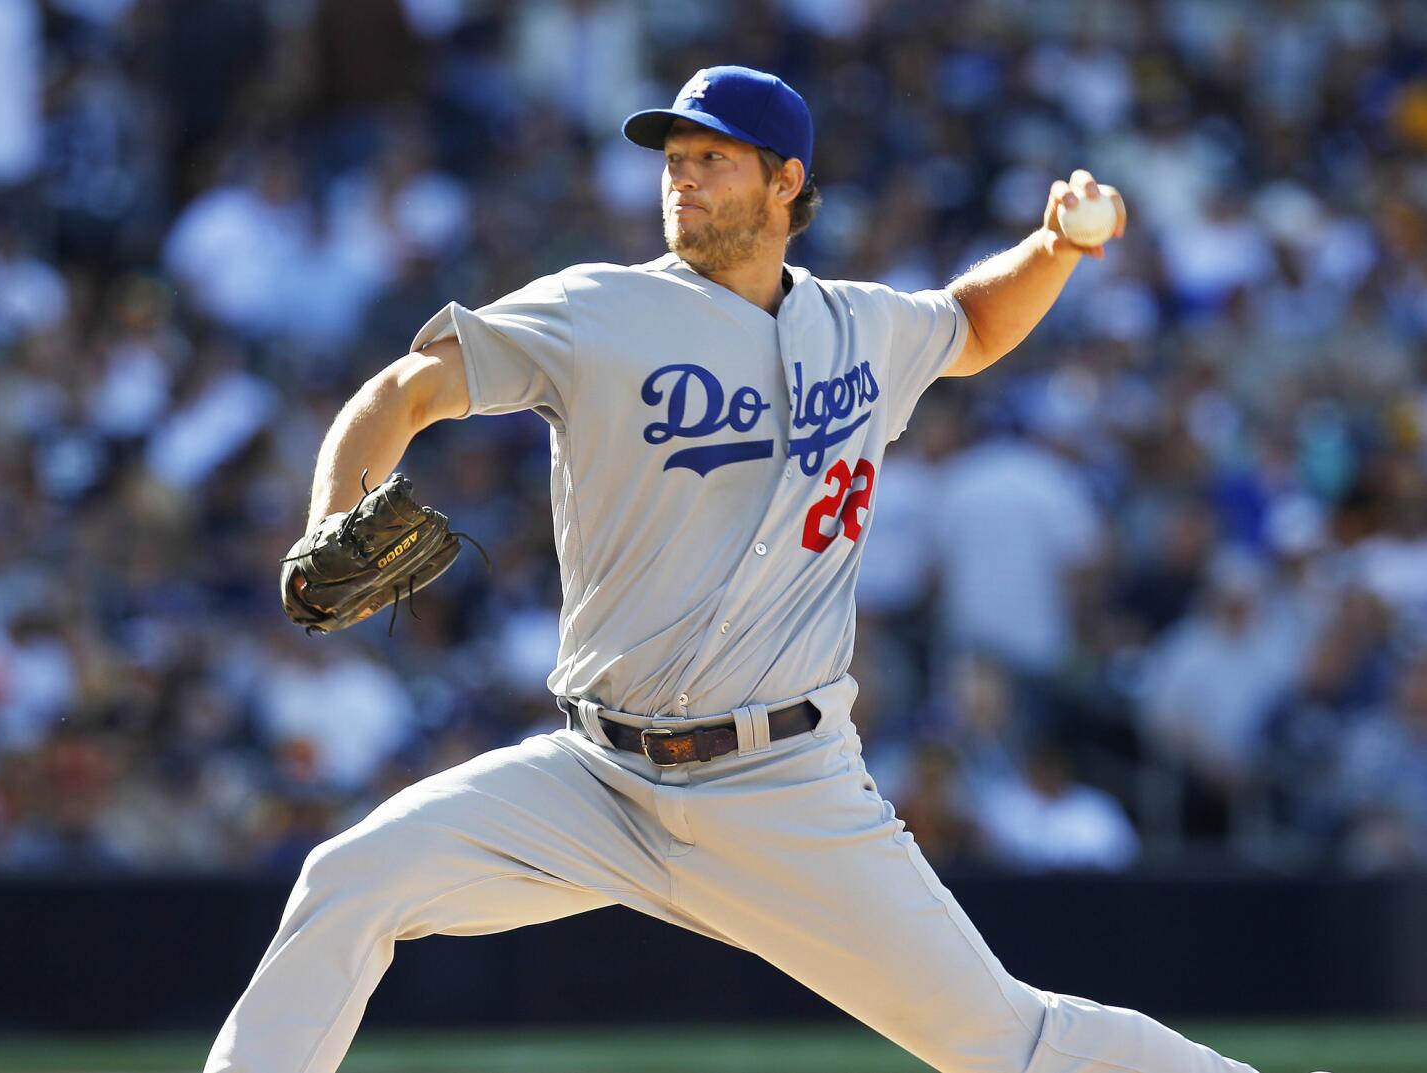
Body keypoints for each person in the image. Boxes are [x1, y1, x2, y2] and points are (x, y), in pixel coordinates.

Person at [206, 66, 1258, 1073]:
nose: (682, 178)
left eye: (712, 158)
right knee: (350, 879)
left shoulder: (858, 326)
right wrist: (332, 512)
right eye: (673, 159)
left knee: (999, 1040)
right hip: (598, 776)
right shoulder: (597, 309)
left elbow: (974, 323)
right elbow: (406, 389)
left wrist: (1055, 245)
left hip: (783, 786)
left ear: (784, 179)